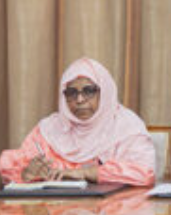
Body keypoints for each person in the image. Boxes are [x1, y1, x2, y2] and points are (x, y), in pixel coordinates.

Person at [0, 58, 155, 186]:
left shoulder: (126, 126)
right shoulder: (49, 129)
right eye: (72, 93)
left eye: (88, 91)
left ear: (105, 91)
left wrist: (87, 172)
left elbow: (144, 173)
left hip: (109, 214)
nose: (79, 100)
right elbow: (9, 167)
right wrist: (26, 174)